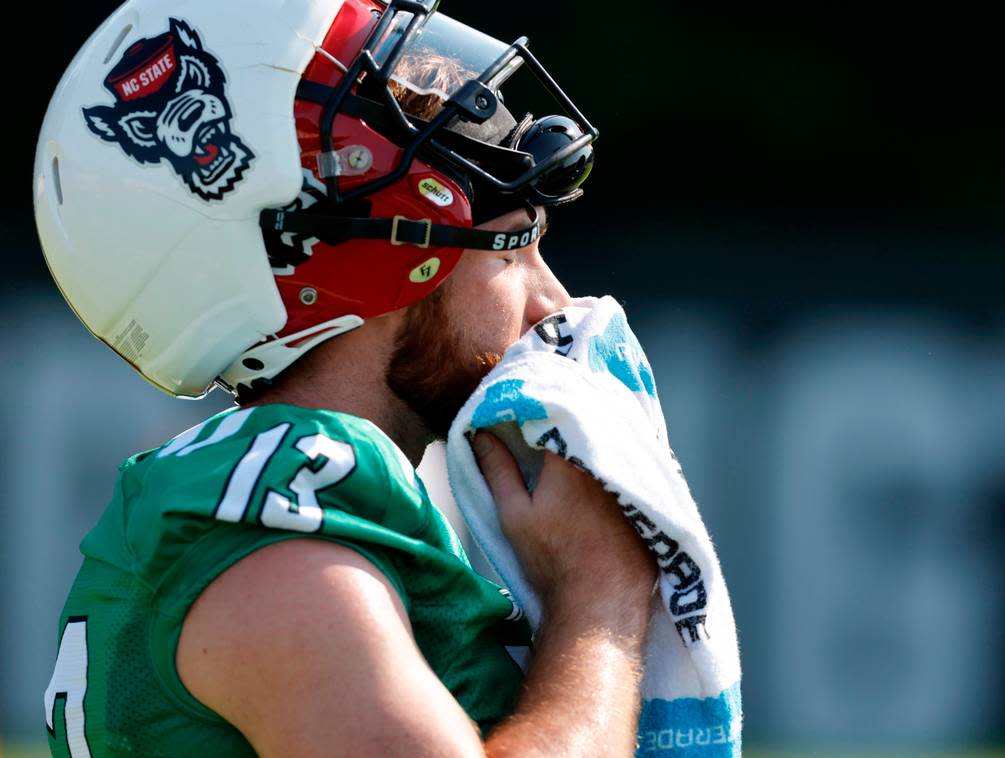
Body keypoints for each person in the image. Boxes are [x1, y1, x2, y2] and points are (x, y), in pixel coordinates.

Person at [36, 0, 657, 755]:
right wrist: (601, 598)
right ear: (364, 259)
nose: (552, 305)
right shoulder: (266, 529)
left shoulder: (304, 497)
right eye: (507, 254)